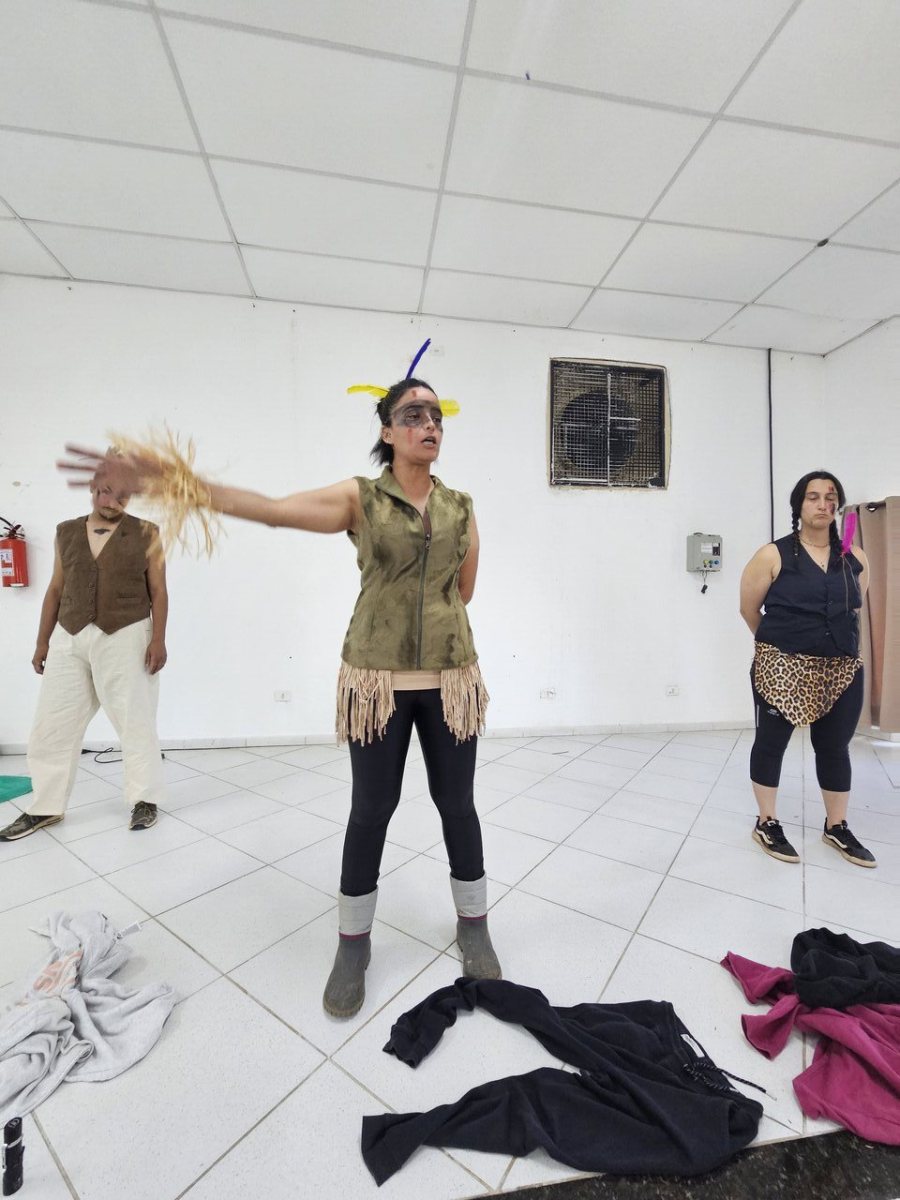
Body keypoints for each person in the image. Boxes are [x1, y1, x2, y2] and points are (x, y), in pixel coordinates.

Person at [57, 377, 501, 1017]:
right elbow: (271, 508)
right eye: (412, 414)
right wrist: (177, 481)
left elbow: (464, 591)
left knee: (457, 804)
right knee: (371, 809)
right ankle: (353, 943)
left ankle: (474, 925)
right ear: (386, 430)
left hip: (452, 680)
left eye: (435, 414)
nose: (428, 423)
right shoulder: (360, 498)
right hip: (375, 684)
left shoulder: (461, 506)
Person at [0, 476, 168, 842]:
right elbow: (55, 589)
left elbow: (158, 590)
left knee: (135, 720)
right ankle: (46, 805)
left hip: (127, 634)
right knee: (52, 723)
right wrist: (42, 642)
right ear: (93, 489)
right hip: (70, 635)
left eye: (123, 493)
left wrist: (158, 639)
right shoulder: (66, 531)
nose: (114, 499)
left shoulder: (148, 533)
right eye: (107, 491)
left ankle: (145, 799)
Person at [739, 471, 875, 867]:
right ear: (798, 505)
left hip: (841, 669)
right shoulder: (773, 555)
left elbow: (853, 607)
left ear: (838, 506)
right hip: (781, 667)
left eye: (830, 497)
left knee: (834, 747)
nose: (823, 504)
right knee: (771, 744)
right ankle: (766, 822)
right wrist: (780, 649)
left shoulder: (854, 555)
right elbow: (749, 609)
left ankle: (837, 826)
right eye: (813, 496)